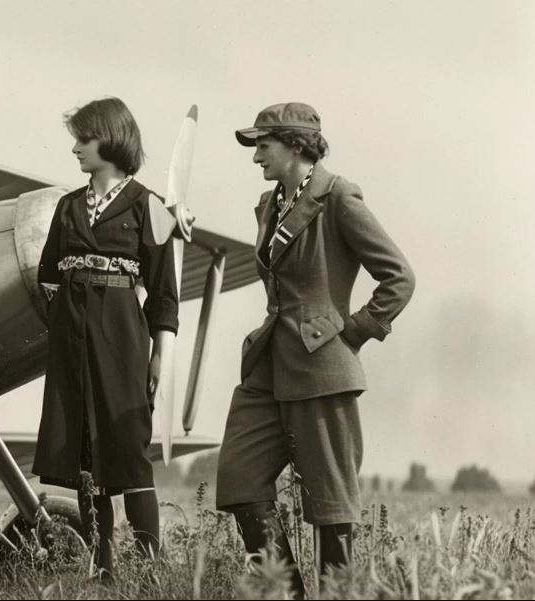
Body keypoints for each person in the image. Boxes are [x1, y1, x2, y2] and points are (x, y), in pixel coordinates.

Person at [217, 103, 415, 597]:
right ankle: (287, 592)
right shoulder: (270, 203)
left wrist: (353, 333)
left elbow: (399, 277)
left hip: (322, 366)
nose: (256, 155)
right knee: (240, 480)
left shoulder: (338, 196)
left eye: (264, 144)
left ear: (296, 146)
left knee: (329, 505)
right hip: (269, 367)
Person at [33, 97, 193, 581]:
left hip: (122, 335)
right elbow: (46, 276)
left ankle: (150, 570)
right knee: (83, 445)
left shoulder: (149, 206)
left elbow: (164, 292)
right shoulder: (66, 206)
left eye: (84, 137)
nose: (76, 148)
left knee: (127, 446)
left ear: (112, 138)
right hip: (71, 338)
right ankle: (100, 569)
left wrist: (159, 357)